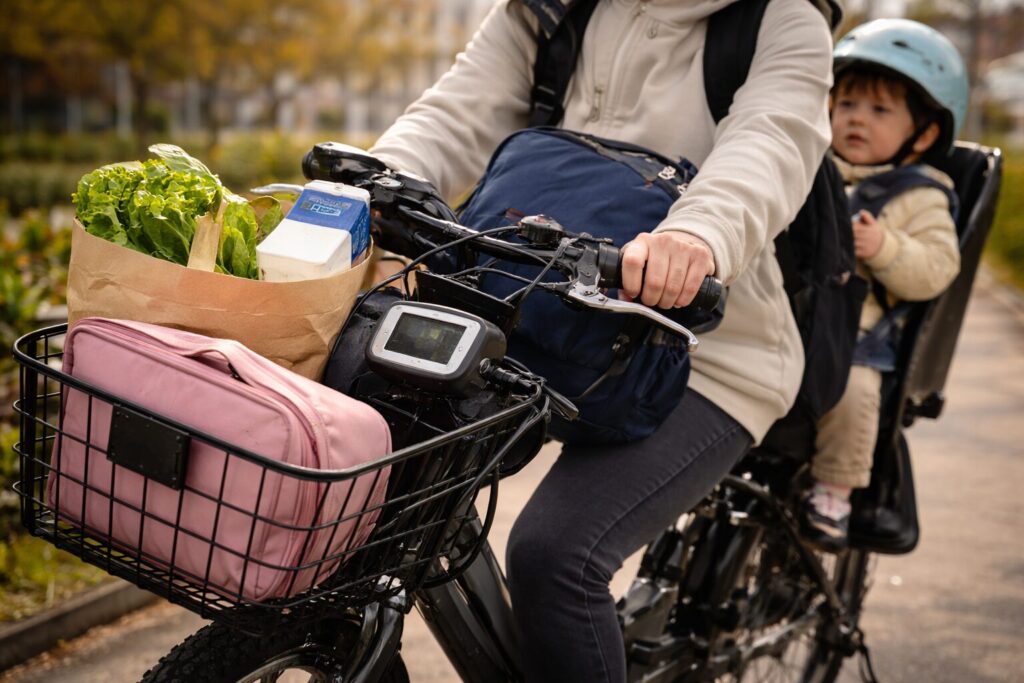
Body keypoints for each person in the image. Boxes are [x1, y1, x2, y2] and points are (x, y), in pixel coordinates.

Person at [369, 0, 834, 680]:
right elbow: (456, 111)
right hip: (532, 316)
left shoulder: (783, 20)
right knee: (378, 480)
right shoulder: (549, 9)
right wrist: (373, 180)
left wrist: (697, 234)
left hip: (703, 353)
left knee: (555, 556)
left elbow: (772, 142)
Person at [802, 18, 967, 551]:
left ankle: (834, 490)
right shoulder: (810, 168)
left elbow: (938, 266)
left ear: (925, 134)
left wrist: (886, 247)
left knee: (854, 391)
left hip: (855, 338)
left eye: (879, 110)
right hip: (789, 318)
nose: (856, 118)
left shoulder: (922, 195)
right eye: (847, 103)